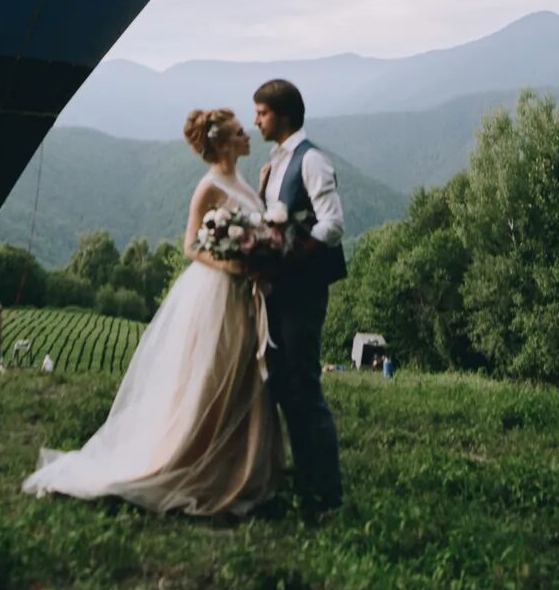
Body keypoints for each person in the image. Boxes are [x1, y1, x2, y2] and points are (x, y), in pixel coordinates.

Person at [22, 107, 279, 517]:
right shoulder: (208, 186)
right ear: (222, 142)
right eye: (237, 131)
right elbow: (191, 246)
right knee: (213, 375)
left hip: (244, 295)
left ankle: (237, 465)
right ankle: (194, 460)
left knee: (241, 376)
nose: (247, 134)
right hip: (217, 292)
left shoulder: (243, 177)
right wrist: (229, 264)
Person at [253, 77, 346, 514]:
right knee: (283, 384)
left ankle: (326, 492)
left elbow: (332, 224)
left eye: (262, 113)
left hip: (303, 289)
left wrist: (295, 251)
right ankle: (300, 475)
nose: (256, 121)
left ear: (283, 115)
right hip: (276, 290)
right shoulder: (273, 165)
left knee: (305, 384)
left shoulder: (312, 161)